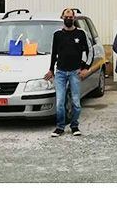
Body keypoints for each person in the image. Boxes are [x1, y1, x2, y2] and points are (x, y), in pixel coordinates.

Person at [44, 8, 92, 137]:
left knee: (76, 102)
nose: (69, 19)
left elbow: (90, 51)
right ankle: (60, 127)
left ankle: (74, 125)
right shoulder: (57, 35)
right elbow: (53, 54)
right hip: (60, 73)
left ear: (74, 18)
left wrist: (86, 68)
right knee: (60, 102)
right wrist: (51, 69)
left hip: (75, 72)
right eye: (66, 17)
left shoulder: (81, 33)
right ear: (62, 17)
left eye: (71, 17)